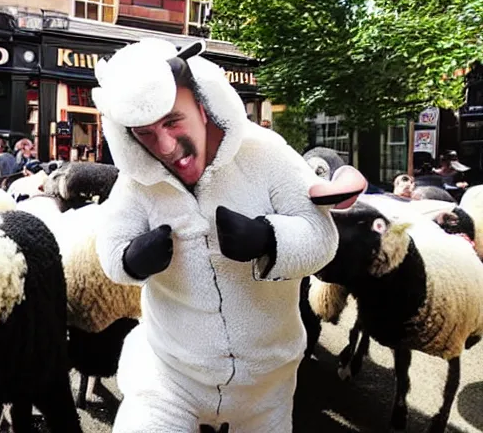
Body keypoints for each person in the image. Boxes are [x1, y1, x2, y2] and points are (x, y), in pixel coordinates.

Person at [92, 39, 366, 433]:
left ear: (202, 107)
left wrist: (269, 239)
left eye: (172, 121)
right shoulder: (137, 182)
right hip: (171, 374)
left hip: (265, 382)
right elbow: (109, 250)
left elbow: (322, 237)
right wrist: (131, 259)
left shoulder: (266, 154)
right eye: (145, 134)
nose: (165, 147)